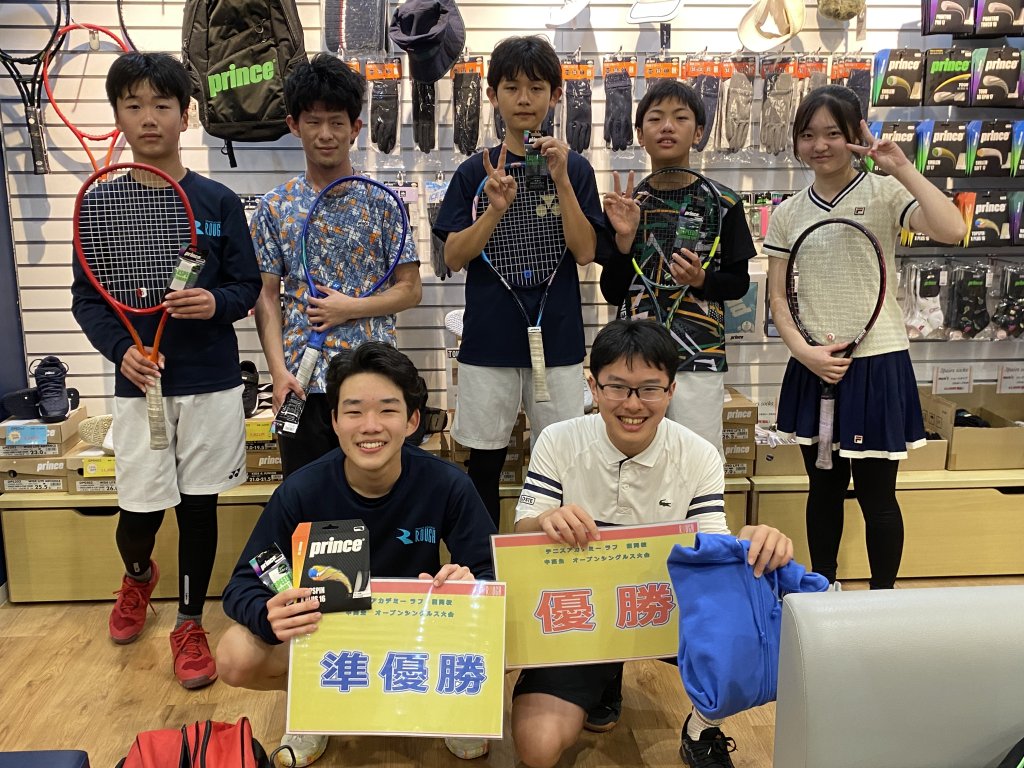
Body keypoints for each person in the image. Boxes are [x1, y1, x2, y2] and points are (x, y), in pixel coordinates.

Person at [510, 319, 795, 768]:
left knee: (748, 609)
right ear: (593, 386)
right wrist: (545, 520)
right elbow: (522, 535)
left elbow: (713, 545)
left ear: (671, 390)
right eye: (617, 387)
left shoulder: (698, 453)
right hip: (581, 612)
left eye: (649, 389)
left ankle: (702, 728)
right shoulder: (558, 440)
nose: (632, 404)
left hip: (658, 606)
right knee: (537, 748)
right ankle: (604, 673)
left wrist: (750, 543)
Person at [70, 52, 262, 689]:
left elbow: (245, 285)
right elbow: (87, 299)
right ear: (118, 115)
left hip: (210, 382)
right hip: (139, 384)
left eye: (162, 104)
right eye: (134, 105)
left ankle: (188, 621)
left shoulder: (218, 201)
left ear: (186, 114)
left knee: (199, 509)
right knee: (141, 514)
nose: (148, 117)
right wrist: (119, 350)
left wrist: (216, 303)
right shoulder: (100, 203)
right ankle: (137, 575)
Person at [216, 342, 497, 767]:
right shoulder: (302, 490)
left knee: (509, 633)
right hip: (331, 640)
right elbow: (244, 582)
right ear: (334, 420)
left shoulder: (447, 484)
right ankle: (313, 702)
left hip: (419, 633)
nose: (370, 426)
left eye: (387, 410)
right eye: (353, 411)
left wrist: (470, 588)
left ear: (412, 420)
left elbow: (492, 573)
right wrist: (268, 613)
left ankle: (451, 700)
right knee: (235, 653)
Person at [764, 85, 967, 590]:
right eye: (808, 134)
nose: (819, 145)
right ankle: (822, 592)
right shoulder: (788, 213)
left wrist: (901, 167)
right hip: (815, 367)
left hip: (878, 364)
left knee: (879, 499)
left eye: (833, 133)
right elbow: (778, 300)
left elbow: (951, 229)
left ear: (856, 135)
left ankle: (882, 602)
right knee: (823, 492)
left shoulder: (885, 192)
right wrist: (805, 353)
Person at [432, 35, 603, 530]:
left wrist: (562, 179)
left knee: (561, 465)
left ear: (555, 95)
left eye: (536, 88)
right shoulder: (474, 171)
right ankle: (486, 563)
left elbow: (586, 252)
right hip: (488, 341)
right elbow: (454, 257)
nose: (524, 99)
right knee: (485, 465)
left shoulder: (575, 168)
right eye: (511, 87)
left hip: (559, 341)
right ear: (492, 96)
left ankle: (554, 559)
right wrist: (493, 210)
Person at [251, 53, 422, 478]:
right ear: (294, 125)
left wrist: (350, 308)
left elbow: (410, 289)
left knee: (377, 495)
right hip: (301, 385)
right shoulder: (275, 206)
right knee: (307, 498)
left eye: (336, 122)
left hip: (374, 383)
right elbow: (266, 297)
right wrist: (278, 373)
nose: (325, 134)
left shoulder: (383, 203)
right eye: (313, 121)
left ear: (355, 128)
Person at [600, 79, 755, 458]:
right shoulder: (625, 205)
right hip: (633, 362)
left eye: (680, 118)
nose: (667, 126)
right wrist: (624, 242)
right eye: (655, 118)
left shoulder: (725, 203)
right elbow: (612, 291)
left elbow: (738, 283)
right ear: (640, 134)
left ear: (699, 132)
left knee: (698, 461)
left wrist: (702, 280)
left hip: (699, 357)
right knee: (635, 462)